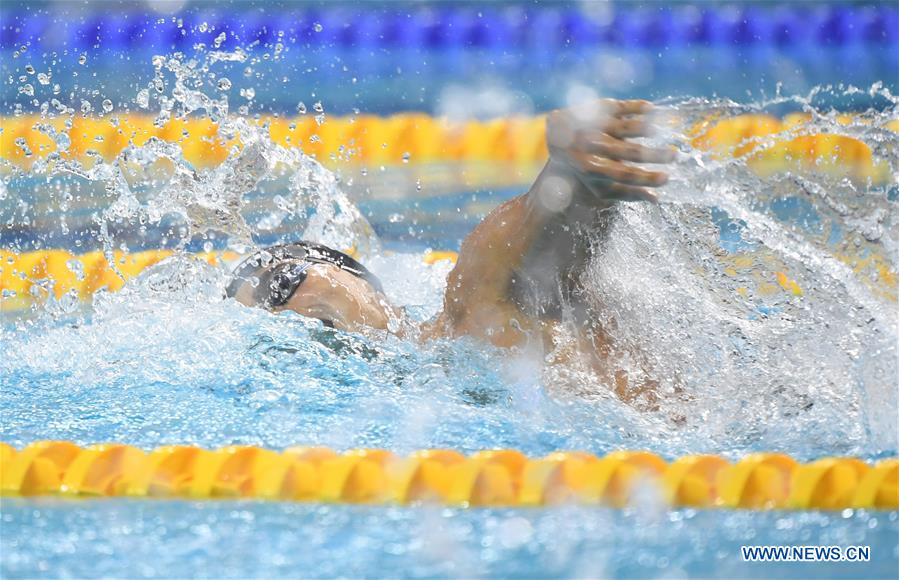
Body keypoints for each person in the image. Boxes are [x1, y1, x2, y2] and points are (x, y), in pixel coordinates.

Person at [226, 99, 674, 403]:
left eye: (280, 284)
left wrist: (569, 175)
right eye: (266, 322)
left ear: (360, 278)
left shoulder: (464, 313)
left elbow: (522, 250)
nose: (283, 316)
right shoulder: (417, 385)